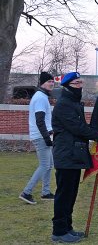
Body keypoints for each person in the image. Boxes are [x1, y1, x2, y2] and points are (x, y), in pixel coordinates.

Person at [51, 72, 98, 243]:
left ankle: (67, 228)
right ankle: (59, 231)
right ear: (68, 85)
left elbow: (81, 127)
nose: (80, 85)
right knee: (64, 196)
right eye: (76, 83)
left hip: (73, 155)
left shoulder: (73, 102)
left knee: (71, 195)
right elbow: (77, 128)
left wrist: (97, 132)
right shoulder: (64, 104)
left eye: (81, 82)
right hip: (67, 156)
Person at [19, 72, 55, 205]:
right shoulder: (40, 97)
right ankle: (26, 192)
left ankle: (46, 193)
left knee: (49, 165)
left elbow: (43, 120)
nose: (51, 83)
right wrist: (47, 138)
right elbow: (39, 121)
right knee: (45, 165)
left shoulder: (42, 96)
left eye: (52, 81)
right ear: (42, 83)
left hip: (44, 135)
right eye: (48, 81)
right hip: (41, 137)